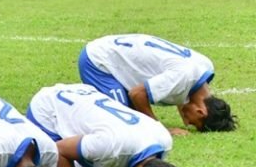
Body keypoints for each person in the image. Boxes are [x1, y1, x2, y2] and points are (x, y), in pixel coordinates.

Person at [26, 84, 189, 167]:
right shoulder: (112, 146)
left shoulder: (165, 140)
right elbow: (59, 149)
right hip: (48, 109)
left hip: (83, 94)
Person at [78, 34, 237, 135]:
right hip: (99, 60)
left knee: (135, 117)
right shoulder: (181, 77)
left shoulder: (205, 67)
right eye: (194, 123)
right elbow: (137, 94)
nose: (187, 122)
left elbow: (183, 87)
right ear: (200, 111)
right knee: (124, 122)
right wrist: (161, 130)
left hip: (115, 47)